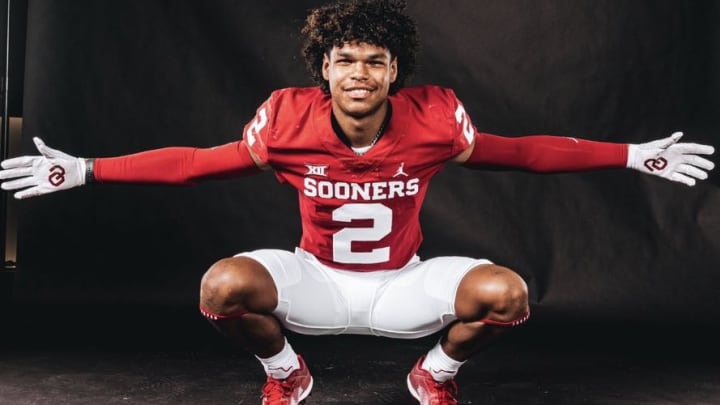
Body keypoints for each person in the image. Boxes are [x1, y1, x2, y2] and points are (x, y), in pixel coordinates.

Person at [0, 0, 714, 403]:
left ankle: (436, 371)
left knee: (507, 292)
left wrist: (632, 154)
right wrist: (89, 169)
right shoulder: (286, 119)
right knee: (221, 285)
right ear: (324, 71)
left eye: (376, 59)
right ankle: (287, 373)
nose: (361, 71)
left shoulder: (434, 118)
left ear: (395, 69)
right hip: (315, 279)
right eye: (345, 59)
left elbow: (524, 151)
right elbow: (195, 165)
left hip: (403, 281)